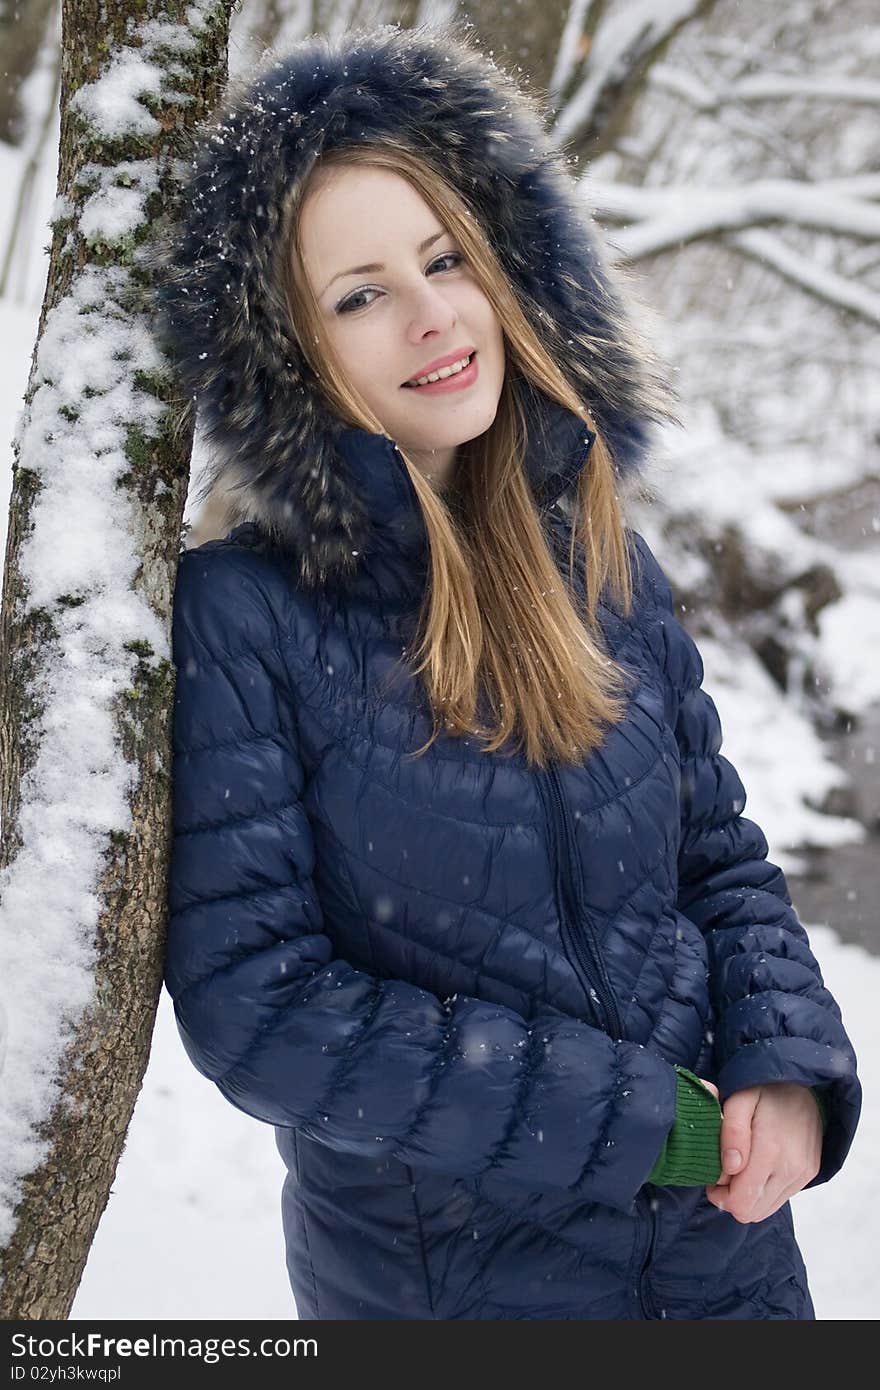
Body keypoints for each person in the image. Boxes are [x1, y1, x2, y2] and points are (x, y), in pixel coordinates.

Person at [151, 21, 861, 1321]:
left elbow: (719, 858)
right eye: (358, 294)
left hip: (730, 1271)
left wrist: (789, 1062)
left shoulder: (604, 559)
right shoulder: (243, 616)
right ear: (284, 357)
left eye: (445, 259)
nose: (430, 312)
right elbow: (262, 1004)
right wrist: (635, 1120)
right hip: (457, 1294)